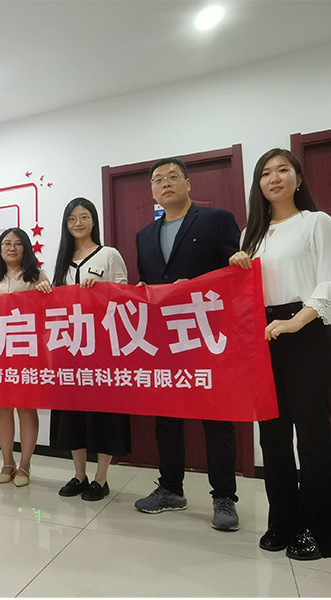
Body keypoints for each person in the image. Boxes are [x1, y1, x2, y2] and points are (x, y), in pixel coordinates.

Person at [229, 148, 331, 559]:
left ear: (298, 179)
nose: (274, 178)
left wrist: (296, 322)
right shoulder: (251, 234)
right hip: (263, 338)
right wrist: (238, 265)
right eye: (266, 173)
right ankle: (283, 521)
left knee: (312, 436)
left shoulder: (316, 222)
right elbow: (244, 294)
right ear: (258, 184)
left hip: (306, 333)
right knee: (273, 438)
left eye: (283, 170)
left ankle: (322, 530)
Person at [134, 157, 241, 531]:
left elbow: (234, 275)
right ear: (152, 190)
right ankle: (170, 488)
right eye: (158, 180)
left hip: (209, 335)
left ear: (188, 183)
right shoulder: (144, 235)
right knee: (166, 417)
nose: (165, 184)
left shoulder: (217, 220)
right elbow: (148, 281)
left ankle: (224, 497)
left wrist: (197, 286)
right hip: (163, 339)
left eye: (172, 177)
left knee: (217, 418)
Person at [48, 197, 131, 501]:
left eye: (84, 217)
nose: (78, 223)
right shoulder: (62, 260)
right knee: (73, 414)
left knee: (104, 412)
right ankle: (79, 474)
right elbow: (54, 305)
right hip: (69, 348)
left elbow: (125, 295)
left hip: (103, 347)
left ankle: (101, 478)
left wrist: (102, 291)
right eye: (72, 218)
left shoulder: (108, 254)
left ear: (93, 220)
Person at [0, 227, 49, 487]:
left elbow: (49, 310)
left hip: (26, 351)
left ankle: (25, 464)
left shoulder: (36, 275)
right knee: (2, 407)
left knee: (26, 407)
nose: (12, 248)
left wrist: (46, 290)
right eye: (6, 243)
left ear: (26, 248)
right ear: (0, 249)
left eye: (18, 243)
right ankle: (7, 462)